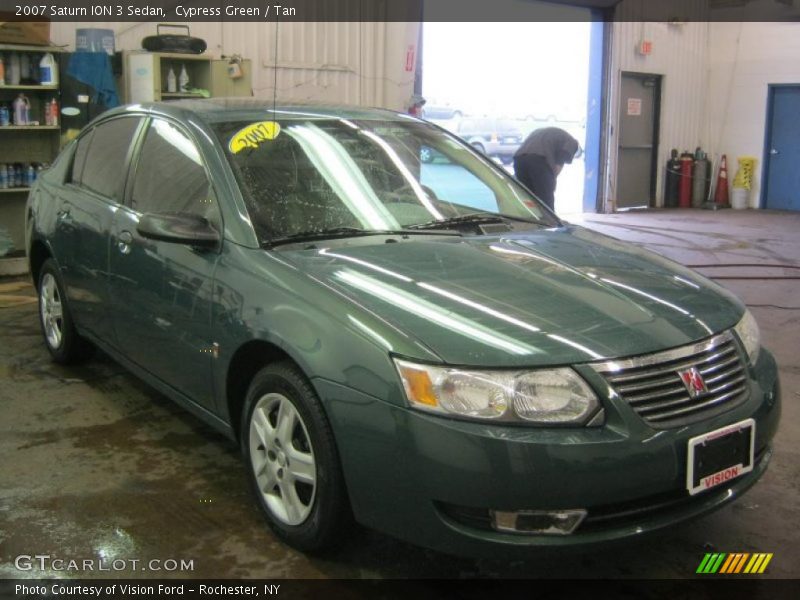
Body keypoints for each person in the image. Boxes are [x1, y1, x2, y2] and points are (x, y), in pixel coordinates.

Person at [513, 127, 580, 212]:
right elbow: (559, 164)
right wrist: (551, 182)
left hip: (519, 159)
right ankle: (550, 223)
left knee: (527, 197)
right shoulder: (572, 143)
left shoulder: (542, 132)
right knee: (546, 200)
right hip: (538, 160)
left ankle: (529, 220)